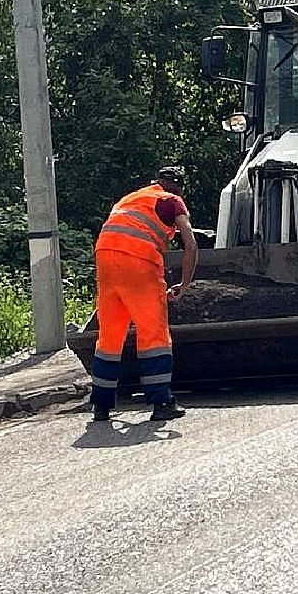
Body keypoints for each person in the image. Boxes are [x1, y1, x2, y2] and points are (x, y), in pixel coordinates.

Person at [89, 165, 197, 423]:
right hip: (138, 264)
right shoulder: (172, 200)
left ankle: (101, 406)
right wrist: (184, 284)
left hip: (105, 261)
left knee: (109, 337)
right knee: (153, 335)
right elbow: (190, 243)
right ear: (177, 187)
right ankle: (161, 402)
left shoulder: (131, 198)